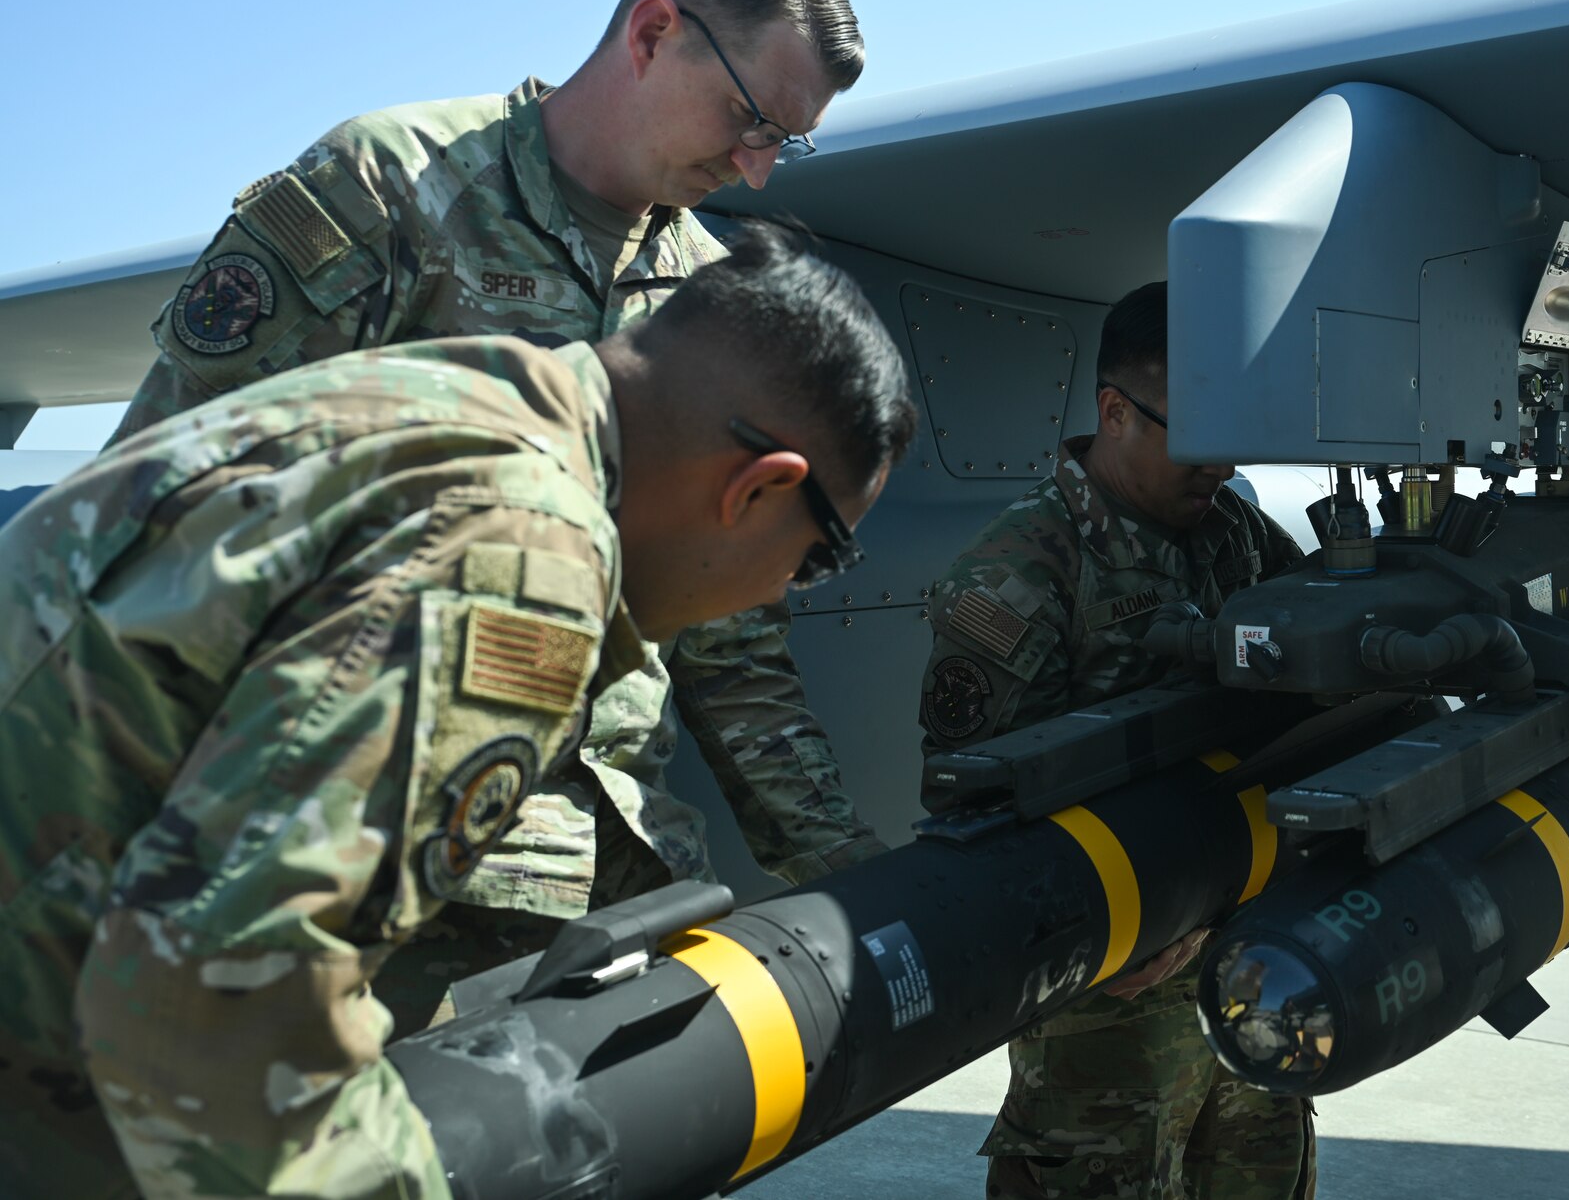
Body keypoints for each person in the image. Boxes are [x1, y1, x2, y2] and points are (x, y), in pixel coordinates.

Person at [0, 223, 916, 1198]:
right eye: (817, 557)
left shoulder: (456, 401)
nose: (780, 592)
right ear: (760, 488)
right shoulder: (526, 557)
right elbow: (219, 1014)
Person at [103, 0, 885, 1031]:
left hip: (611, 879)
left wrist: (839, 863)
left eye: (786, 141)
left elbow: (728, 624)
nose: (758, 170)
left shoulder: (714, 292)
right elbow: (156, 514)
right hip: (371, 892)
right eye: (750, 116)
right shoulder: (384, 194)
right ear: (652, 31)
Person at [917, 282, 1316, 1199]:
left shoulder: (1237, 538)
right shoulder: (1019, 572)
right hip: (1110, 1013)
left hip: (1251, 973)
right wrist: (1106, 932)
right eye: (1198, 435)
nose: (1221, 465)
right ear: (1114, 411)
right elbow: (976, 816)